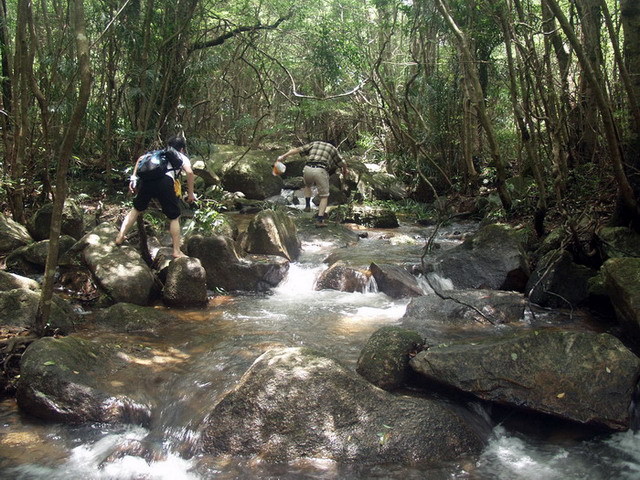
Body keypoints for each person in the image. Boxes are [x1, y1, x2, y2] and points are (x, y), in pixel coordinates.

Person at [115, 135, 196, 257]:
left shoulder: (156, 153)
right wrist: (190, 194)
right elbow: (189, 173)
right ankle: (176, 251)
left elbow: (140, 159)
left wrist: (133, 178)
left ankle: (120, 236)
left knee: (136, 209)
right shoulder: (181, 156)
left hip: (146, 182)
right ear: (182, 149)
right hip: (165, 182)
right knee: (174, 216)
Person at [276, 141, 348, 227]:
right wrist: (345, 170)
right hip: (320, 170)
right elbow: (342, 162)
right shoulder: (333, 148)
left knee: (307, 186)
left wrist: (284, 156)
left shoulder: (315, 143)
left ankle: (307, 206)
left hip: (307, 168)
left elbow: (298, 149)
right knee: (324, 196)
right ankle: (319, 221)